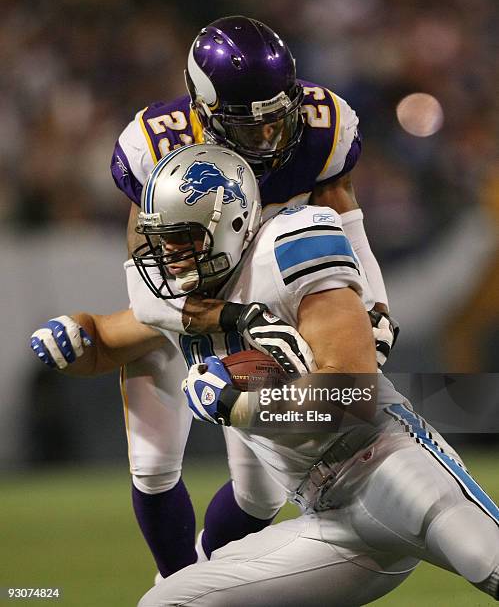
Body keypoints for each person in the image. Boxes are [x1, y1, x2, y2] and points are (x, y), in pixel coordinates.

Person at [32, 145, 498, 605]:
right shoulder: (182, 303)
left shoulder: (286, 252)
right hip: (329, 519)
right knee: (165, 603)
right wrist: (74, 337)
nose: (169, 255)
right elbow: (107, 341)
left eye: (183, 238)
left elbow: (353, 394)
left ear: (231, 226)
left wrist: (243, 406)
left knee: (488, 563)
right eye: (163, 239)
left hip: (389, 465)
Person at [43, 14, 399, 579]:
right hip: (186, 305)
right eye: (245, 123)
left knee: (260, 497)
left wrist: (373, 306)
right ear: (202, 109)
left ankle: (202, 574)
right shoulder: (155, 142)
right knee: (154, 465)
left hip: (261, 313)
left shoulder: (323, 124)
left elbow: (347, 228)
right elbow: (147, 281)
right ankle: (174, 582)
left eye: (274, 119)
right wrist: (229, 314)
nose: (265, 137)